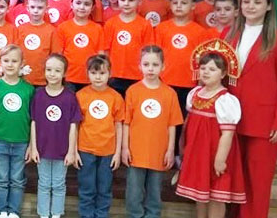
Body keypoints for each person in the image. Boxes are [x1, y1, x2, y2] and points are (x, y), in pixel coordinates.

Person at [222, 0, 277, 218]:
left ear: (269, 6)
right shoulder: (228, 34)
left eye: (257, 2)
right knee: (233, 179)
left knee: (258, 182)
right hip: (231, 120)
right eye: (246, 2)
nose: (251, 6)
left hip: (263, 122)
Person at [175, 40, 247, 216]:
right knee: (200, 195)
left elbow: (227, 134)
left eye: (212, 69)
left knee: (216, 196)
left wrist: (220, 159)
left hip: (215, 152)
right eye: (203, 68)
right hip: (197, 152)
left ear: (223, 73)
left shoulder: (225, 100)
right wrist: (184, 149)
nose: (206, 72)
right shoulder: (194, 94)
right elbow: (188, 126)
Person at [122, 46, 183, 218]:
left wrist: (170, 150)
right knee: (134, 193)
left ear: (163, 66)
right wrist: (125, 148)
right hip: (136, 152)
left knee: (154, 193)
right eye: (146, 64)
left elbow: (172, 125)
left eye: (155, 65)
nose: (150, 68)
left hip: (159, 152)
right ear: (139, 66)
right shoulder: (132, 91)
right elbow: (126, 123)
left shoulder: (170, 93)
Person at [28, 54, 81, 218]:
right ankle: (44, 214)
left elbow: (73, 125)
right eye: (49, 70)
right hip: (42, 149)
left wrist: (71, 151)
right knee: (44, 184)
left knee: (58, 184)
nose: (52, 74)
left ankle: (56, 214)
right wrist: (33, 148)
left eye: (57, 71)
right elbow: (34, 122)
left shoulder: (70, 97)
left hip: (62, 150)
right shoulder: (38, 96)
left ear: (64, 73)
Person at [0, 45, 35, 218]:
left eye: (14, 61)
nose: (10, 64)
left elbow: (32, 120)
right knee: (0, 180)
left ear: (22, 63)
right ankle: (1, 211)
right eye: (6, 60)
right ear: (0, 62)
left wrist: (31, 146)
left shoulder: (29, 90)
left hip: (21, 142)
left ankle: (13, 211)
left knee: (17, 180)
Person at [75, 55, 125, 218]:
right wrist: (74, 150)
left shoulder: (116, 97)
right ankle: (86, 215)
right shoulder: (80, 95)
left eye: (102, 73)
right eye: (94, 73)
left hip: (108, 151)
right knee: (87, 188)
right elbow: (75, 125)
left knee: (104, 189)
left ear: (110, 74)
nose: (98, 77)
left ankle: (101, 215)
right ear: (87, 73)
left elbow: (119, 125)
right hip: (85, 149)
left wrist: (118, 153)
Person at [156, 0, 210, 110]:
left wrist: (200, 84)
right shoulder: (161, 29)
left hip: (189, 83)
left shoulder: (200, 32)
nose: (179, 6)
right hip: (164, 82)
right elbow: (156, 56)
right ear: (170, 5)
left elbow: (203, 60)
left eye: (184, 3)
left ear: (193, 6)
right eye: (175, 3)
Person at [103, 0, 154, 95]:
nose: (126, 3)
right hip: (114, 75)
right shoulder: (110, 24)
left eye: (131, 0)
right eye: (122, 0)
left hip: (137, 76)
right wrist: (106, 71)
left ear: (139, 1)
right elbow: (106, 50)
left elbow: (147, 52)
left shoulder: (145, 25)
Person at [14, 0, 63, 86]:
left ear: (46, 9)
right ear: (28, 8)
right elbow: (15, 53)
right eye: (32, 7)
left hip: (43, 81)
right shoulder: (20, 29)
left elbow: (55, 56)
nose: (36, 11)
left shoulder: (52, 31)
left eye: (40, 8)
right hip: (22, 79)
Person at [58, 0, 103, 88]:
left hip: (91, 78)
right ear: (71, 4)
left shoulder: (97, 29)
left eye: (87, 4)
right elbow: (59, 55)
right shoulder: (63, 27)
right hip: (68, 78)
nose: (82, 7)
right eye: (78, 3)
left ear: (92, 7)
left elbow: (100, 55)